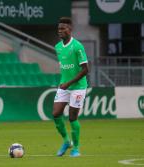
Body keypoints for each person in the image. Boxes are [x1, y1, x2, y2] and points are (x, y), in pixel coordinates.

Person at [52, 17, 89, 157]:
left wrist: (69, 83)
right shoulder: (58, 47)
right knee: (56, 114)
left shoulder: (77, 46)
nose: (60, 31)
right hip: (64, 86)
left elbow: (86, 70)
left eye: (63, 28)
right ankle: (67, 141)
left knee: (72, 117)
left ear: (70, 29)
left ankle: (76, 148)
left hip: (78, 86)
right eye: (59, 29)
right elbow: (65, 67)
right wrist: (64, 83)